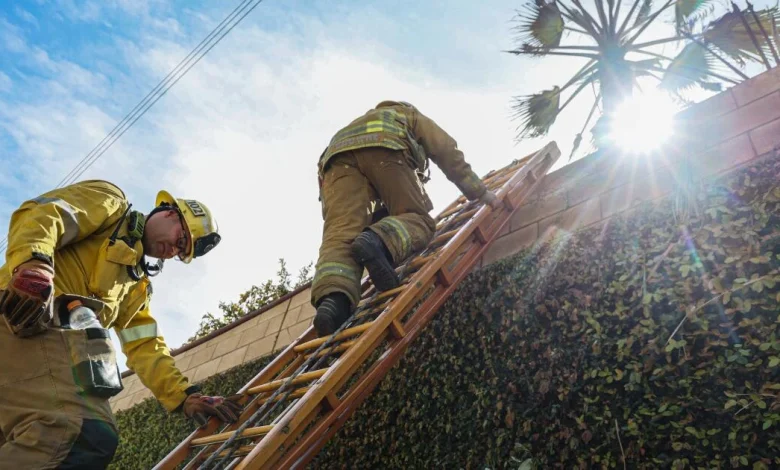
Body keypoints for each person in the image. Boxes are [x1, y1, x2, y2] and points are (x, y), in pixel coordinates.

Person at [0, 180, 242, 469]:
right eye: (181, 239)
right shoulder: (111, 205)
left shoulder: (136, 288)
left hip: (36, 352)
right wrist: (35, 265)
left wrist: (184, 397)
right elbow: (45, 214)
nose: (174, 251)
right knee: (83, 432)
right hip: (22, 315)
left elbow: (145, 346)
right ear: (170, 212)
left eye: (181, 252)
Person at [311, 100, 502, 337]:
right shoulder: (405, 113)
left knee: (341, 235)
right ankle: (378, 242)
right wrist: (478, 191)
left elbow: (340, 211)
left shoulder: (351, 127)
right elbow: (443, 147)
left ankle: (333, 302)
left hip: (334, 162)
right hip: (385, 145)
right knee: (418, 220)